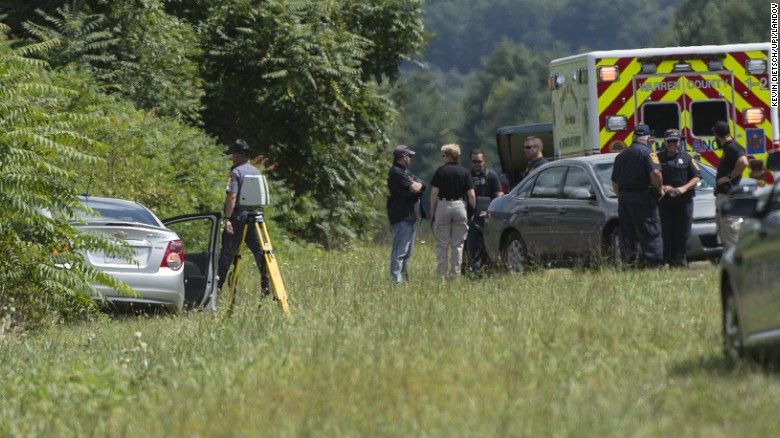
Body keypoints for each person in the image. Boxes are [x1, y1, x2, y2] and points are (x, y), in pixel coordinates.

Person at [216, 139, 270, 294]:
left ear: (239, 155)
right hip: (255, 217)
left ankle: (217, 286)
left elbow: (232, 197)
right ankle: (266, 283)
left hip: (238, 217)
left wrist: (227, 219)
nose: (232, 158)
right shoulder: (257, 172)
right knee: (260, 251)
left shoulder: (236, 172)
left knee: (227, 252)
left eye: (233, 154)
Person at [610, 124, 665, 266]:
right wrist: (659, 189)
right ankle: (653, 263)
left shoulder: (621, 156)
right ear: (647, 138)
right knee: (650, 230)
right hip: (644, 197)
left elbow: (614, 182)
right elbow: (656, 173)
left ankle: (628, 262)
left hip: (624, 198)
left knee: (627, 231)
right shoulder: (648, 153)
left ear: (634, 137)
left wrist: (621, 196)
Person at [429, 143, 475, 278]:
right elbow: (471, 195)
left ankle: (441, 276)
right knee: (458, 245)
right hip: (460, 205)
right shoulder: (465, 172)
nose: (442, 157)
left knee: (442, 244)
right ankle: (455, 275)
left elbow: (434, 193)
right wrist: (471, 211)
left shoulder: (441, 171)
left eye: (443, 155)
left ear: (448, 156)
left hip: (444, 205)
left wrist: (432, 211)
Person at [658, 128, 701, 267]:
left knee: (683, 232)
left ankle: (681, 260)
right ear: (665, 142)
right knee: (666, 232)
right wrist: (663, 187)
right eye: (669, 141)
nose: (672, 144)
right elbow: (651, 176)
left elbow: (697, 177)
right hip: (665, 202)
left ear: (679, 142)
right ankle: (667, 260)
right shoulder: (657, 158)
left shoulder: (687, 158)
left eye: (675, 141)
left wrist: (684, 188)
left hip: (684, 202)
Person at [386, 145, 425, 284]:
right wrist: (417, 185)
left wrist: (418, 184)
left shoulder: (405, 172)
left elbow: (422, 184)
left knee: (407, 252)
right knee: (400, 252)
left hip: (410, 217)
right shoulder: (396, 172)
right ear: (403, 157)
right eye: (409, 156)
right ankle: (396, 281)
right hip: (401, 216)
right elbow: (415, 188)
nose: (410, 159)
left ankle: (403, 280)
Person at [465, 149, 502, 276]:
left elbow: (498, 195)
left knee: (489, 247)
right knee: (471, 246)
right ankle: (474, 273)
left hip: (488, 217)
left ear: (484, 160)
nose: (476, 164)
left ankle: (490, 272)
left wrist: (492, 211)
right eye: (474, 161)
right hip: (471, 217)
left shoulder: (491, 175)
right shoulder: (467, 176)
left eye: (479, 161)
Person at [712, 120, 749, 248]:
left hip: (729, 196)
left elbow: (744, 162)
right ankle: (728, 257)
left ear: (717, 135)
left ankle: (736, 258)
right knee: (725, 234)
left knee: (731, 234)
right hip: (724, 195)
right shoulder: (728, 148)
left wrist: (728, 177)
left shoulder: (732, 147)